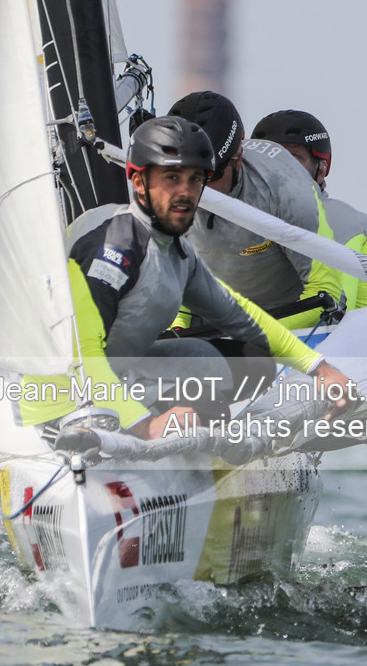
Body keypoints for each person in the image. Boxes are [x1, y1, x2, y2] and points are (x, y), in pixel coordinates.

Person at [18, 115, 349, 439]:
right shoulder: (114, 250)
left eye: (195, 179)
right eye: (172, 178)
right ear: (138, 182)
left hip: (123, 374)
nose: (186, 192)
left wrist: (319, 368)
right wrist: (146, 424)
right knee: (206, 409)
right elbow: (81, 355)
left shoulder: (177, 252)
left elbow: (241, 317)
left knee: (253, 365)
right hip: (65, 407)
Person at [169, 92, 349, 330]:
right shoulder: (162, 190)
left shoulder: (287, 191)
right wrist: (174, 329)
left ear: (238, 158)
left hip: (295, 317)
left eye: (209, 176)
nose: (196, 190)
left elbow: (325, 293)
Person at [252, 109, 367, 308]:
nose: (278, 170)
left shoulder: (360, 228)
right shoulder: (215, 219)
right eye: (268, 160)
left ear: (321, 169)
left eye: (292, 159)